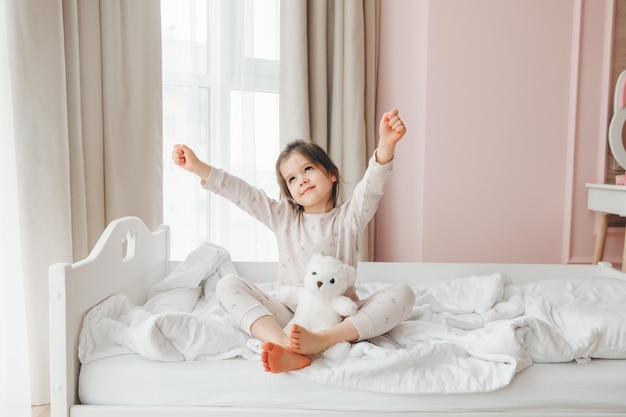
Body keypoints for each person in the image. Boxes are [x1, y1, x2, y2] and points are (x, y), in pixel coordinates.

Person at [172, 108, 416, 373]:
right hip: (289, 316)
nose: (302, 180)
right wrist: (198, 167)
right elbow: (244, 193)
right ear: (289, 193)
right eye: (292, 179)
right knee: (226, 284)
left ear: (332, 174)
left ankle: (323, 341)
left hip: (337, 318)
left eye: (308, 169)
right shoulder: (283, 218)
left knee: (404, 294)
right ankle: (286, 346)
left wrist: (385, 145)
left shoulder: (349, 217)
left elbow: (372, 188)